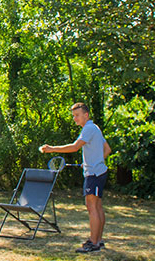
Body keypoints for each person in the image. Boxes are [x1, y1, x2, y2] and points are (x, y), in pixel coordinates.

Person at [39, 102, 112, 253]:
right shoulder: (95, 128)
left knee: (92, 207)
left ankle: (93, 243)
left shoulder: (89, 129)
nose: (75, 119)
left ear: (86, 115)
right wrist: (96, 160)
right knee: (97, 207)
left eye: (77, 115)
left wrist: (52, 149)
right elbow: (107, 149)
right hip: (98, 172)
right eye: (73, 116)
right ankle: (98, 240)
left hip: (94, 174)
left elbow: (74, 147)